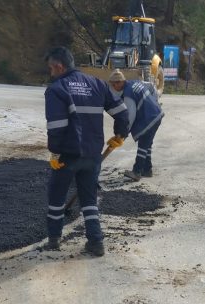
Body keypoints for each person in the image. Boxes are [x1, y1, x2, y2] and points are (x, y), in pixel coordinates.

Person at [43, 47, 129, 256]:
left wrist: (54, 153)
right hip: (92, 155)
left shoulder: (57, 89)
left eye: (51, 69)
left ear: (59, 66)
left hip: (67, 156)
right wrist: (120, 135)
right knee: (88, 199)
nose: (51, 73)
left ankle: (54, 240)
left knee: (56, 196)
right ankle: (96, 242)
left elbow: (56, 127)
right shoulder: (97, 84)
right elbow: (122, 113)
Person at [107, 69, 164, 181]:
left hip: (150, 118)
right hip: (156, 114)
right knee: (147, 144)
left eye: (114, 85)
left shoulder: (128, 93)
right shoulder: (135, 82)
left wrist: (123, 133)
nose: (114, 87)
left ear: (120, 82)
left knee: (143, 144)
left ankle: (137, 172)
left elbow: (130, 116)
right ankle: (147, 170)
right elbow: (152, 88)